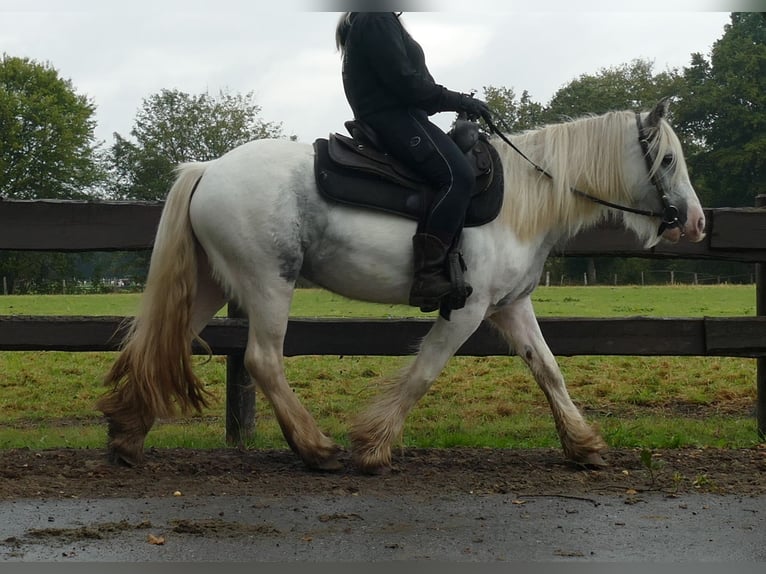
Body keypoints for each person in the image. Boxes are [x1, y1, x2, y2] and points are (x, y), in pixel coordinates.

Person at [335, 11, 492, 312]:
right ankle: (428, 275)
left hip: (401, 115)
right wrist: (459, 101)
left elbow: (415, 83)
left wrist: (450, 101)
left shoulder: (374, 19)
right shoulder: (376, 18)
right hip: (394, 117)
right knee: (458, 176)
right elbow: (406, 83)